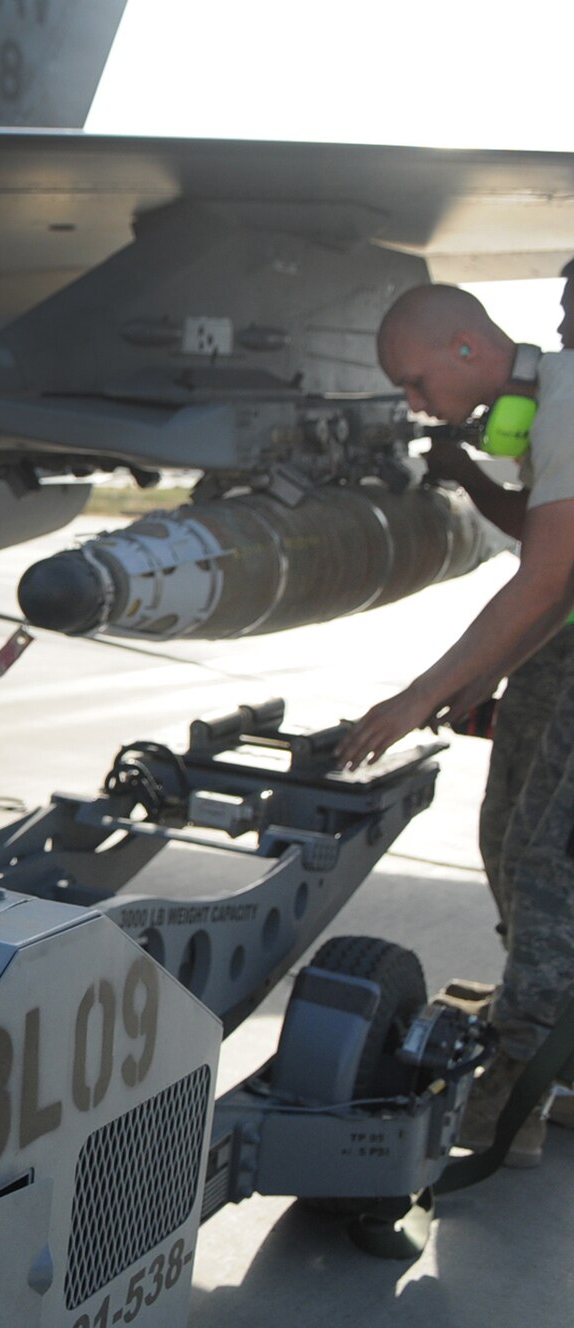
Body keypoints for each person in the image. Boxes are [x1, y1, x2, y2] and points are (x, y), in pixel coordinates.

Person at [339, 282, 574, 1168]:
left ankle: (518, 1093)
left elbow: (546, 580)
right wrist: (474, 678)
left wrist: (414, 696)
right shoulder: (550, 405)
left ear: (468, 349)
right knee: (511, 833)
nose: (413, 402)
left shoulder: (570, 400)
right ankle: (536, 1022)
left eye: (414, 380)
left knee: (548, 862)